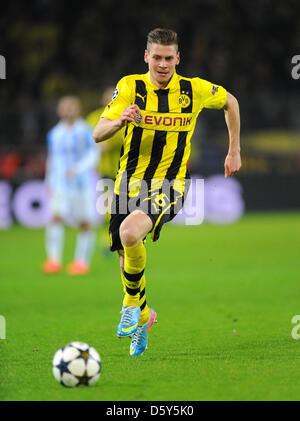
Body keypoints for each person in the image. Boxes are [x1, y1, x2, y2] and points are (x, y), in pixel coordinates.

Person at [92, 28, 241, 356]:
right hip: (126, 185)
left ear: (178, 58)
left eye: (168, 58)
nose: (162, 64)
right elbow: (98, 133)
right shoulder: (130, 86)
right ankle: (144, 316)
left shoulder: (194, 89)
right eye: (156, 57)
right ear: (146, 56)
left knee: (131, 234)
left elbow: (230, 101)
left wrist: (234, 150)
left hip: (170, 185)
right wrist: (119, 121)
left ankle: (131, 305)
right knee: (125, 256)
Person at [42, 96, 100, 275]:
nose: (68, 111)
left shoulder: (86, 131)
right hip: (59, 184)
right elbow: (52, 158)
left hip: (81, 184)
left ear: (78, 110)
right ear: (59, 111)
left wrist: (78, 169)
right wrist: (48, 180)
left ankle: (81, 262)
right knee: (55, 217)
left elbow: (94, 154)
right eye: (65, 108)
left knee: (84, 222)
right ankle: (53, 260)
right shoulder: (54, 133)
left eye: (71, 107)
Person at [86, 87, 123, 254]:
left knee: (123, 208)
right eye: (109, 98)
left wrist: (109, 142)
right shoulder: (94, 118)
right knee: (108, 207)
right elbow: (87, 141)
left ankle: (119, 240)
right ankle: (108, 239)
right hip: (104, 170)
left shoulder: (125, 117)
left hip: (125, 169)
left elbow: (127, 140)